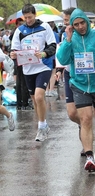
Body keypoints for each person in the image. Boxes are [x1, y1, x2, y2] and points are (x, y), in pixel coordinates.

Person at [10, 3, 56, 142]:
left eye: (30, 17)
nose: (28, 20)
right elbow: (14, 50)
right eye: (26, 18)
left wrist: (44, 53)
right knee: (35, 100)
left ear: (35, 15)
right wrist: (13, 55)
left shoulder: (45, 27)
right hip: (28, 68)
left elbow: (53, 46)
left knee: (39, 96)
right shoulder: (20, 31)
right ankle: (44, 124)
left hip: (43, 66)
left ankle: (41, 127)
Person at [56, 9, 95, 171]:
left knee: (88, 120)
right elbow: (63, 59)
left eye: (82, 23)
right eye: (76, 24)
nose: (80, 27)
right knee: (85, 118)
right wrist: (68, 40)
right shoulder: (70, 39)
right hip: (79, 85)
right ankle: (90, 157)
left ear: (87, 21)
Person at [55, 7, 83, 156]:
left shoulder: (88, 34)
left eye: (67, 21)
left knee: (88, 114)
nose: (66, 24)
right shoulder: (65, 34)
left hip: (87, 76)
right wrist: (59, 70)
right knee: (72, 113)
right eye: (65, 21)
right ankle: (84, 126)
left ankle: (87, 146)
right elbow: (62, 57)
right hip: (70, 74)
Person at [10, 18, 32, 110]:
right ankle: (23, 102)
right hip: (20, 58)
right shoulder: (17, 32)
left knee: (21, 81)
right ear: (16, 25)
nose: (21, 25)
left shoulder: (20, 32)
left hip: (22, 58)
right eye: (19, 23)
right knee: (22, 82)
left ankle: (22, 102)